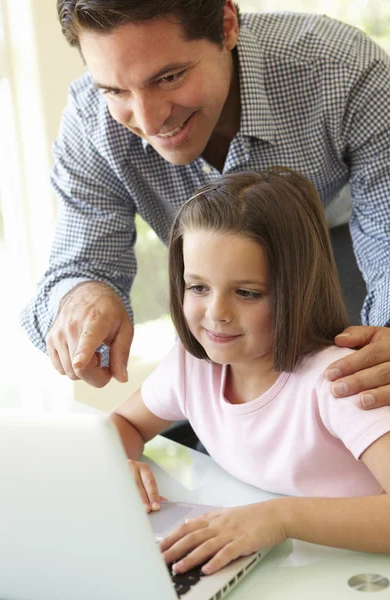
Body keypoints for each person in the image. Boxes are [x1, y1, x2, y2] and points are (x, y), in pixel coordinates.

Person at [21, 1, 390, 408]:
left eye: (170, 77)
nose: (149, 121)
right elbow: (78, 267)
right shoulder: (90, 124)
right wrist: (82, 298)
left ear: (227, 26)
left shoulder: (344, 69)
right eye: (116, 90)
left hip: (343, 241)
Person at [111, 167, 390, 576]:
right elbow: (123, 422)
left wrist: (278, 518)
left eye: (246, 293)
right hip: (280, 570)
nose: (216, 314)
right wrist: (119, 464)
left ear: (297, 290)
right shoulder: (192, 366)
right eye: (198, 287)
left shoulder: (341, 380)